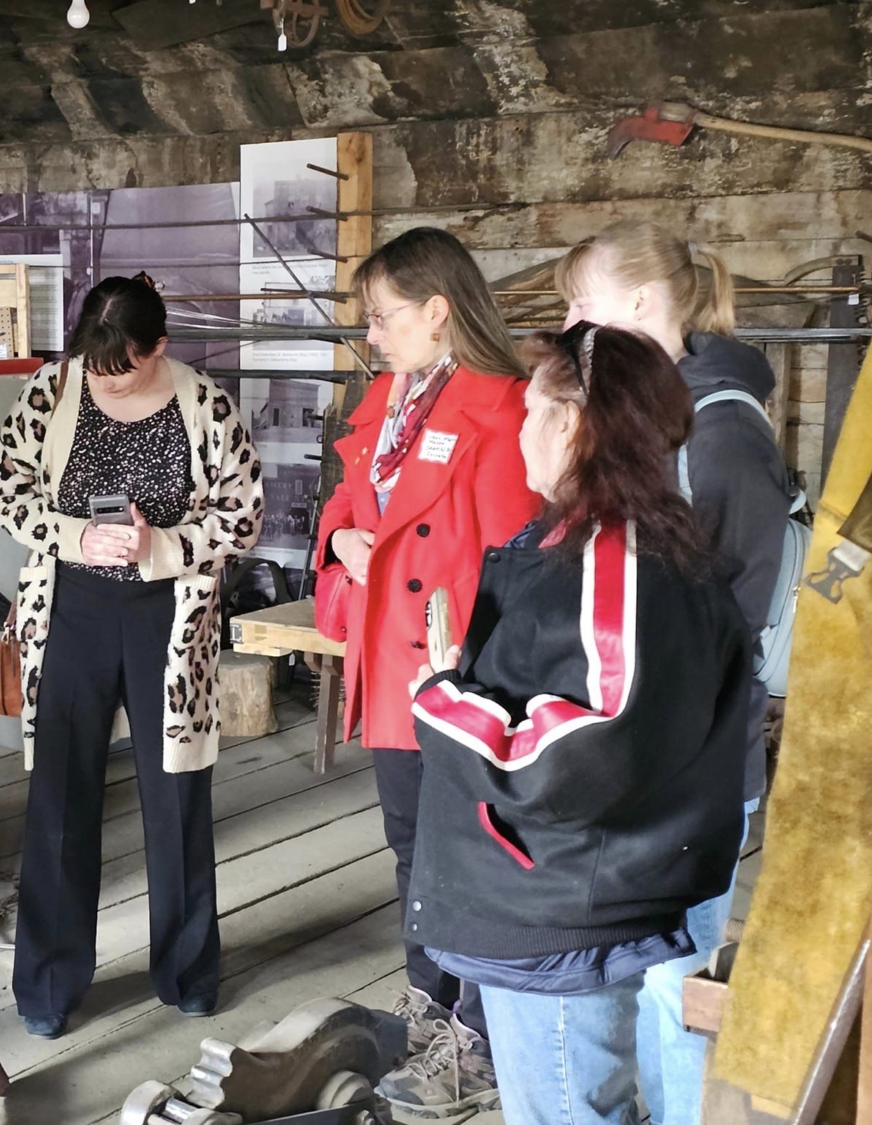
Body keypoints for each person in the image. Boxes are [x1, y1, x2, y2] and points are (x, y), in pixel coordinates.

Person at [406, 323, 753, 1125]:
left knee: (568, 1112)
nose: (521, 427)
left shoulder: (616, 557)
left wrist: (443, 698)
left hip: (560, 910)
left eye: (532, 409)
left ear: (573, 423)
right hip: (556, 890)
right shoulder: (602, 540)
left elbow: (588, 744)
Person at [556, 222, 792, 1125]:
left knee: (670, 983)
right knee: (633, 970)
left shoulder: (722, 433)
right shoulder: (657, 418)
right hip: (637, 745)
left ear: (644, 306)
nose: (572, 320)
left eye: (584, 302)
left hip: (688, 760)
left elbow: (731, 614)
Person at [0, 272, 263, 1040]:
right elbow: (6, 495)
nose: (107, 387)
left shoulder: (204, 403)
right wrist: (78, 536)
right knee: (60, 795)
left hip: (167, 614)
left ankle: (187, 970)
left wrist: (162, 544)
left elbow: (243, 517)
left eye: (126, 372)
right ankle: (48, 983)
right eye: (96, 373)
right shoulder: (52, 389)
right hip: (70, 605)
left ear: (160, 349)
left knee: (175, 794)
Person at [314, 227, 540, 1114]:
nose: (372, 334)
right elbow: (344, 498)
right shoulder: (387, 398)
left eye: (383, 316)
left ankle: (480, 1039)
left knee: (475, 854)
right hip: (389, 660)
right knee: (412, 847)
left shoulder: (503, 408)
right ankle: (431, 1003)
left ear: (438, 312)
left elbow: (516, 564)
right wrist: (340, 538)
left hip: (463, 675)